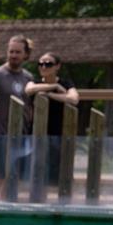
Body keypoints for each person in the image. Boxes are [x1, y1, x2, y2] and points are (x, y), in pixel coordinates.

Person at [0, 35, 35, 198]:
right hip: (0, 135)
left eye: (18, 52)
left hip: (22, 135)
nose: (14, 55)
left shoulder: (28, 78)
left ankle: (7, 206)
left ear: (26, 54)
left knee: (14, 177)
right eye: (11, 51)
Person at [24, 53, 79, 186]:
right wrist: (53, 87)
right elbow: (29, 90)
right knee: (36, 172)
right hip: (36, 133)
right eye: (41, 64)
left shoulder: (66, 83)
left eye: (48, 64)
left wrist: (49, 94)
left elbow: (73, 99)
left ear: (57, 66)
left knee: (58, 174)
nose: (44, 66)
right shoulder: (35, 82)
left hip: (59, 134)